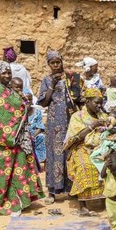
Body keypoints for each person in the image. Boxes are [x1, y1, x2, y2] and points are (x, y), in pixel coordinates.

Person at [0, 62, 44, 215]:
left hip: (15, 138)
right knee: (5, 171)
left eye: (8, 72)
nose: (7, 75)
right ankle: (8, 203)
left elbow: (22, 105)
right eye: (3, 73)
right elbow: (6, 112)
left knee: (19, 169)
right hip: (4, 140)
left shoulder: (8, 89)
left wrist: (25, 101)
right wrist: (23, 102)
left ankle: (20, 201)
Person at [37, 50, 82, 204]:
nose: (56, 65)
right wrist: (52, 86)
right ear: (48, 64)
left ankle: (72, 189)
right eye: (52, 62)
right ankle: (52, 191)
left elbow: (79, 99)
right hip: (54, 123)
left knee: (70, 152)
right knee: (54, 154)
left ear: (62, 61)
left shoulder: (72, 77)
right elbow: (43, 103)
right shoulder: (46, 80)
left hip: (71, 121)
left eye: (58, 62)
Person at [63, 88, 110, 216]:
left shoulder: (103, 116)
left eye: (101, 103)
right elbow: (75, 138)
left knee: (110, 164)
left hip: (100, 148)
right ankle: (83, 205)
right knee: (85, 166)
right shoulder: (77, 117)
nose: (99, 105)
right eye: (96, 102)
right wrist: (93, 126)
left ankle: (107, 200)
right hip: (80, 147)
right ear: (87, 101)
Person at [25, 93, 46, 165]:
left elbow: (40, 127)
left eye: (30, 100)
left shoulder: (37, 112)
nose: (28, 102)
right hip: (22, 135)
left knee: (42, 137)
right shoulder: (19, 111)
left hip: (34, 134)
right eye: (26, 100)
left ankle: (37, 161)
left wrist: (33, 136)